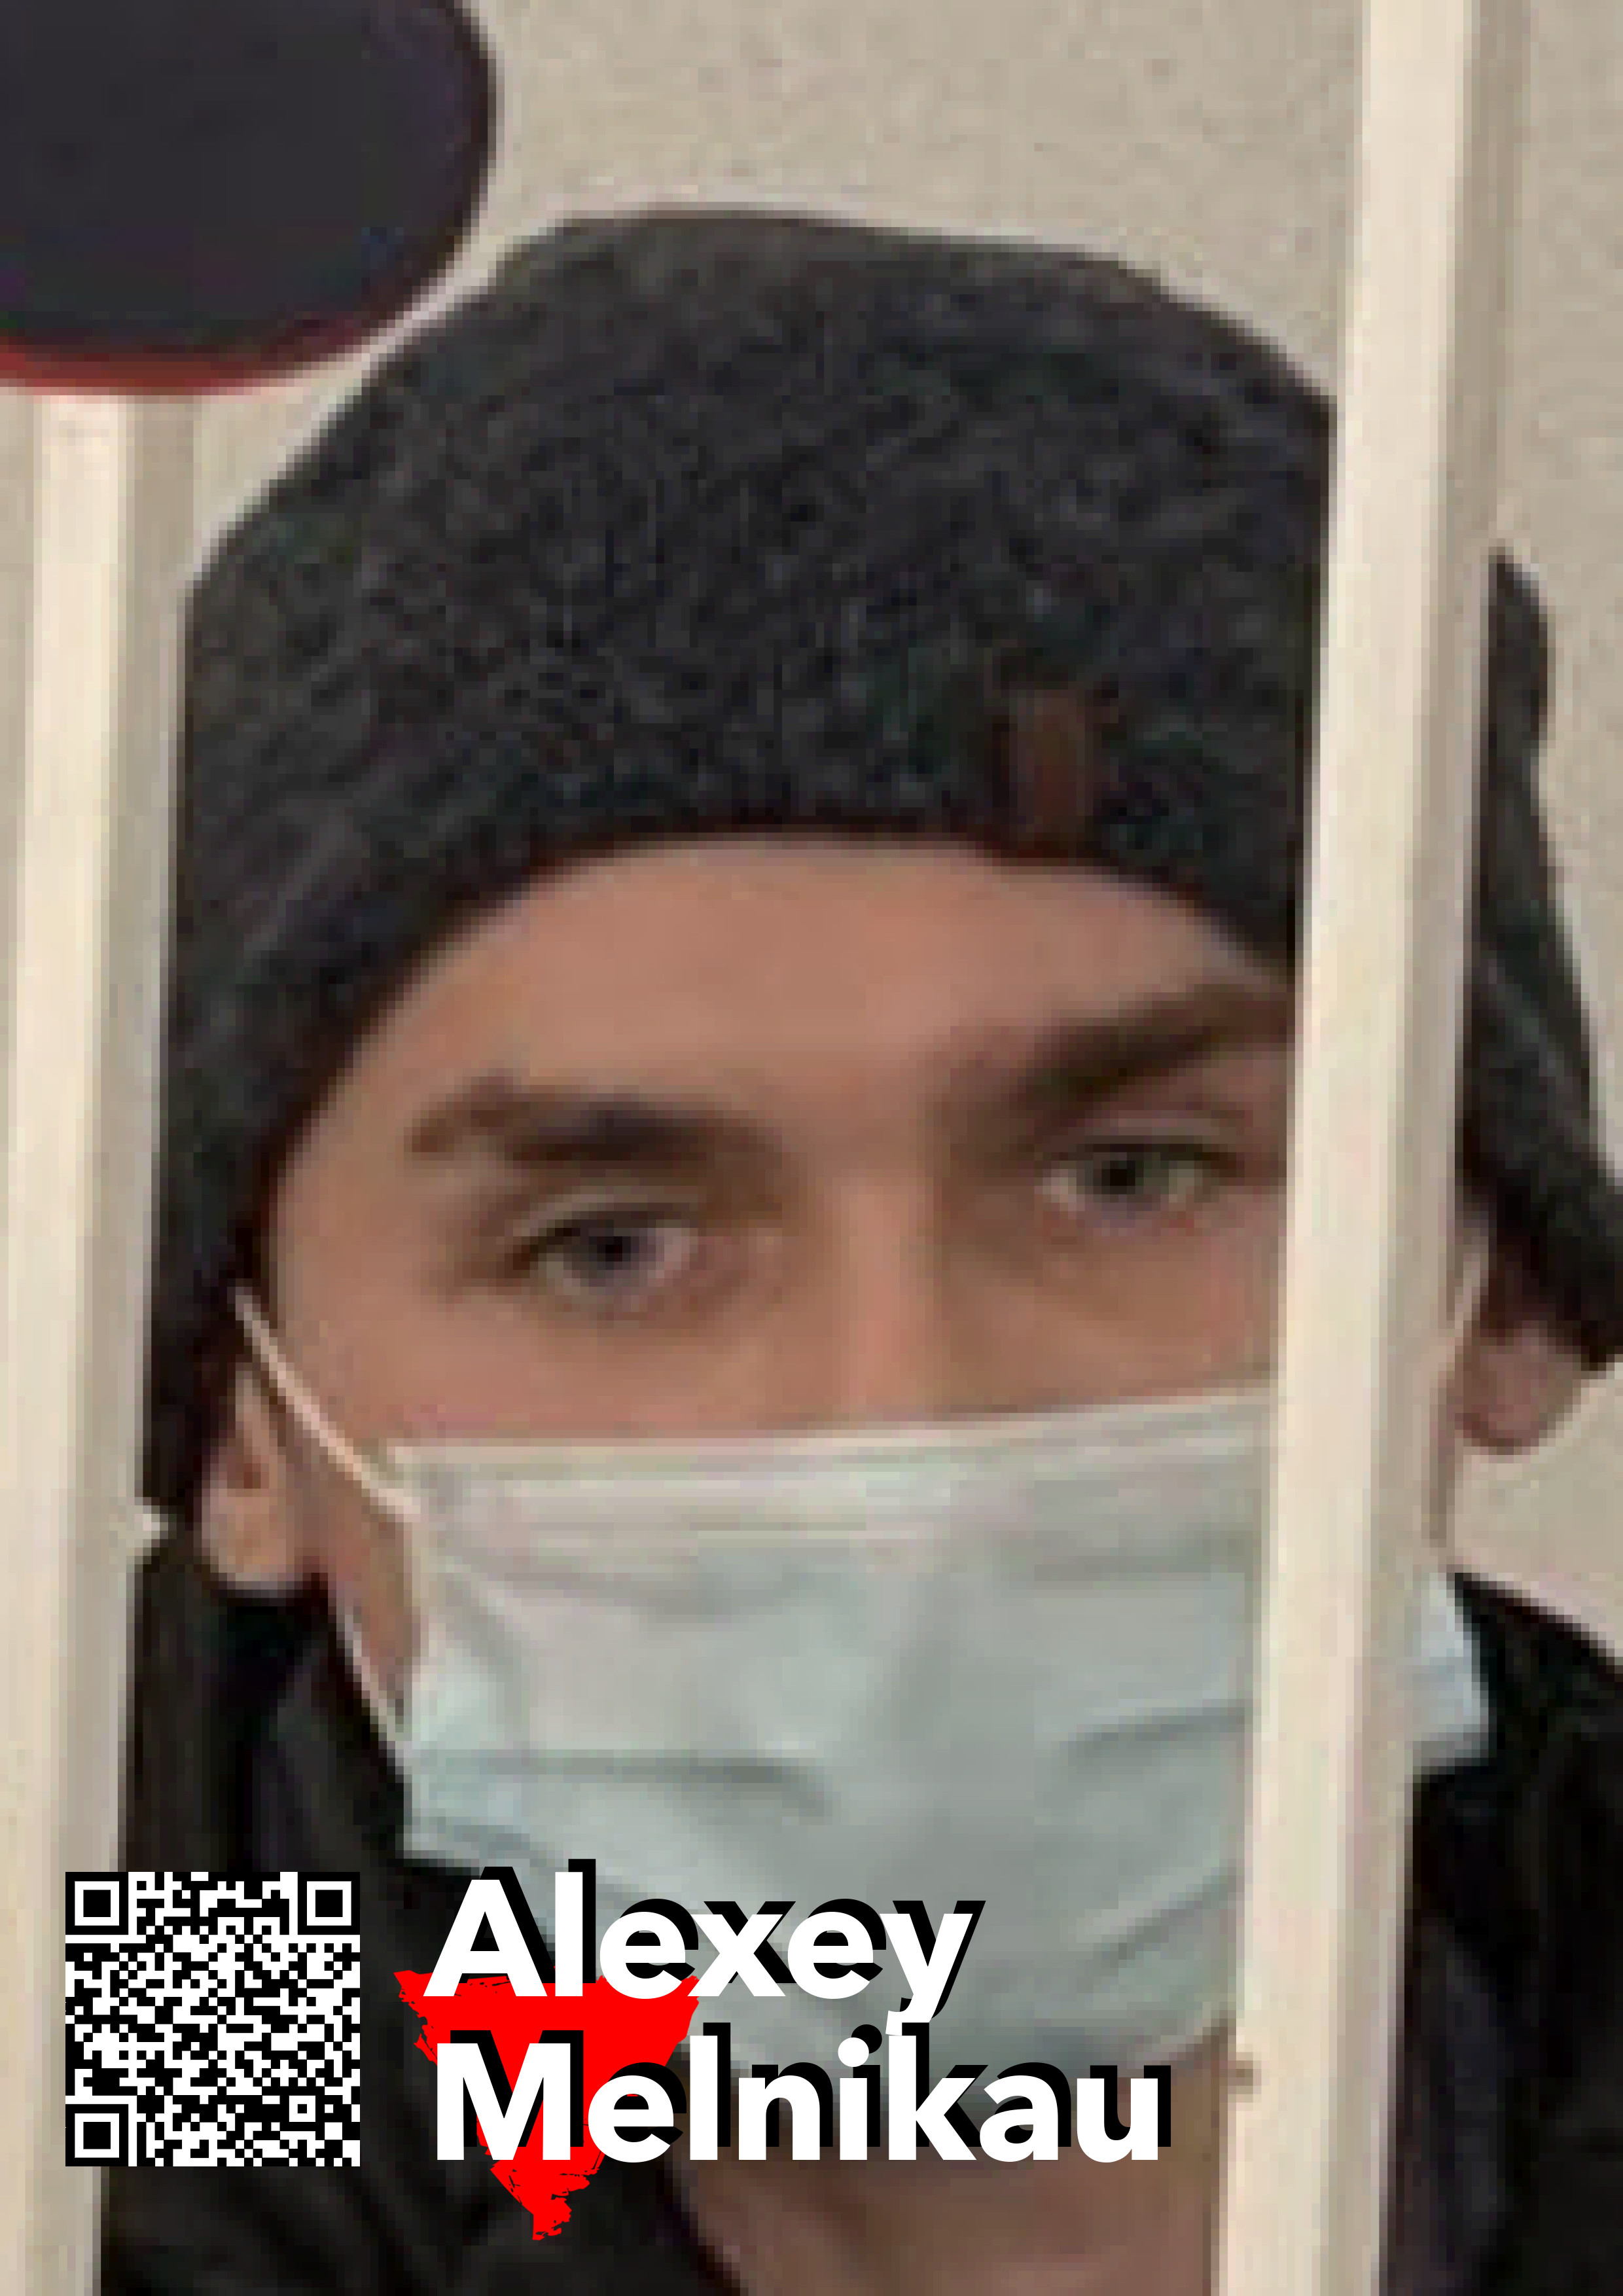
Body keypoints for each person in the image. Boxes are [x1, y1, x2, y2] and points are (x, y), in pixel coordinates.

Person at [103, 208, 1623, 2296]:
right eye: (611, 1247)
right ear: (241, 1425)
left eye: (1131, 1175)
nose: (901, 1430)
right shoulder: (97, 2138)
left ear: (1511, 1280)